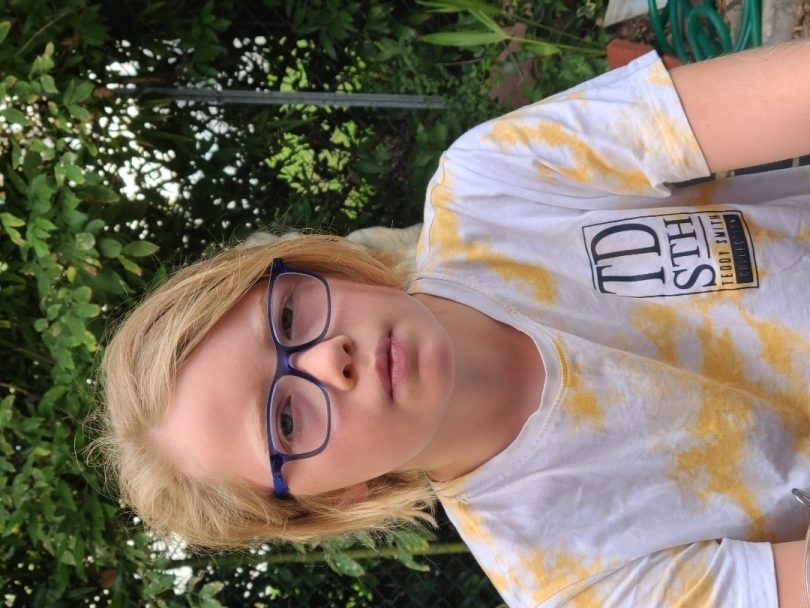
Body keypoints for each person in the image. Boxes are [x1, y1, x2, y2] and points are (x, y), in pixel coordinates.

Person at [97, 38, 810, 607]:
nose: (326, 359)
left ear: (322, 268)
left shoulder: (496, 183)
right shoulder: (567, 577)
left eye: (287, 314)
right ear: (332, 500)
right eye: (285, 422)